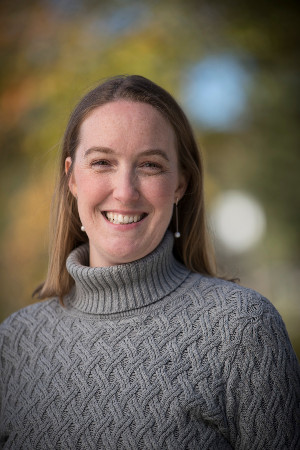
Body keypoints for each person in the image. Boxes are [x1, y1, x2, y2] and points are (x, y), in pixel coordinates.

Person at [0, 75, 299, 449]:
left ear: (180, 185)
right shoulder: (14, 343)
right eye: (103, 162)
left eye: (151, 166)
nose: (125, 191)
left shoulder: (241, 331)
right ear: (72, 177)